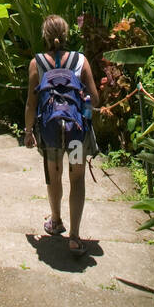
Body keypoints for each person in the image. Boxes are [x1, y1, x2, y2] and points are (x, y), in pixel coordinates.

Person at [24, 14, 100, 254]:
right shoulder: (80, 60)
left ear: (44, 36)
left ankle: (56, 221)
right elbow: (94, 99)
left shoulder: (37, 63)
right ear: (67, 35)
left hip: (50, 132)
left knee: (53, 175)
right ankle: (75, 237)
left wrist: (28, 132)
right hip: (76, 132)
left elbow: (31, 103)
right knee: (77, 179)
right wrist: (85, 119)